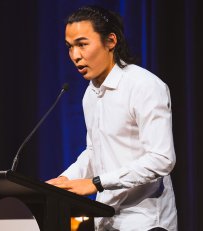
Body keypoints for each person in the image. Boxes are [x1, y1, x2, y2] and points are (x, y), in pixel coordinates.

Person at [46, 6, 177, 231]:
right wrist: (64, 181)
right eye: (70, 47)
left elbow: (162, 159)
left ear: (111, 41)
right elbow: (95, 152)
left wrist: (97, 183)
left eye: (82, 44)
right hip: (106, 219)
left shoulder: (143, 86)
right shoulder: (90, 93)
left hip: (145, 221)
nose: (75, 55)